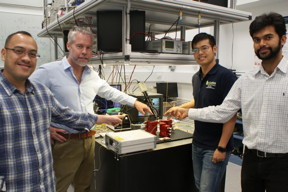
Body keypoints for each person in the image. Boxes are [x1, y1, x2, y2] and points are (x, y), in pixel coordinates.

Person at [166, 12, 288, 192]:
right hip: (251, 159)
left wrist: (221, 147)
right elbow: (223, 111)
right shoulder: (246, 81)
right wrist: (188, 112)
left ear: (283, 39)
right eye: (256, 39)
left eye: (268, 37)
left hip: (282, 161)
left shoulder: (227, 76)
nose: (262, 43)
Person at [30, 26, 153, 192]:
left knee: (84, 186)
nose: (84, 52)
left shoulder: (91, 74)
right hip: (63, 143)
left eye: (89, 48)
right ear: (68, 45)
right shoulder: (48, 72)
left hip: (88, 141)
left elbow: (110, 92)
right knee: (57, 187)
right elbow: (25, 100)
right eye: (79, 46)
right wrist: (45, 128)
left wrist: (135, 102)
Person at [0, 31, 124, 192]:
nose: (26, 58)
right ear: (4, 53)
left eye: (32, 54)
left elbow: (68, 116)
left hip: (45, 184)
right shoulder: (47, 72)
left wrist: (105, 118)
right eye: (18, 51)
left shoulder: (41, 93)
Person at [165, 33, 237, 192]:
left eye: (204, 48)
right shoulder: (196, 78)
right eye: (196, 50)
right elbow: (199, 101)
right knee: (199, 186)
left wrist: (222, 148)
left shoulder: (226, 77)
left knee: (207, 189)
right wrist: (183, 108)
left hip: (215, 145)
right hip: (198, 142)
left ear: (214, 49)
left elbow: (231, 115)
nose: (200, 53)